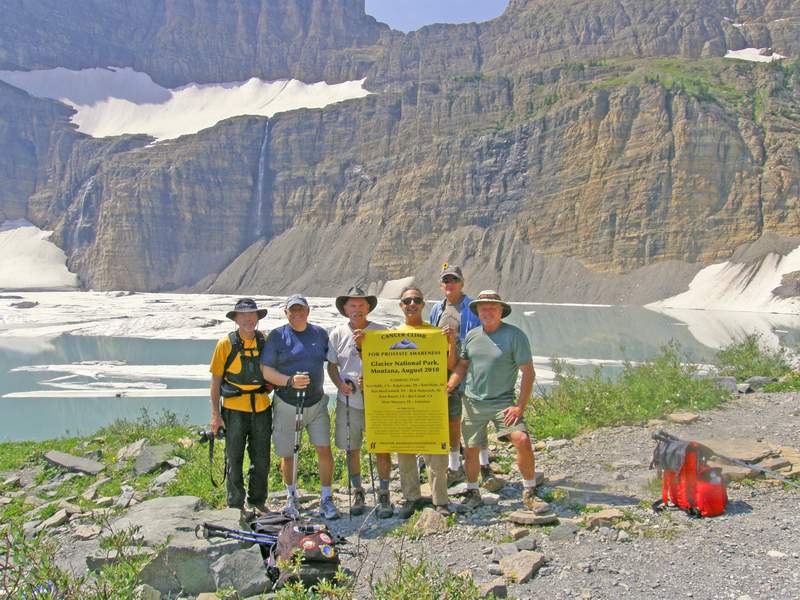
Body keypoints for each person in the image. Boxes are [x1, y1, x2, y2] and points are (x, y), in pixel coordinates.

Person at [446, 290, 545, 512]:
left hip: (503, 402)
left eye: (492, 307)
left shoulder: (514, 336)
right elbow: (463, 364)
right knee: (471, 449)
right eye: (483, 307)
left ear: (501, 310)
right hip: (472, 402)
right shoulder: (472, 335)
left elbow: (528, 372)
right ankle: (473, 492)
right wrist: (452, 383)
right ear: (477, 311)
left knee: (521, 439)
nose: (487, 311)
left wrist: (520, 406)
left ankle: (529, 491)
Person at [260, 294, 339, 520]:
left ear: (308, 311)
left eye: (300, 309)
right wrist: (288, 381)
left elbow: (334, 361)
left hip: (316, 403)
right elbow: (266, 371)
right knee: (287, 454)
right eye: (292, 310)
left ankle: (326, 497)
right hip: (286, 403)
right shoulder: (277, 336)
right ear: (286, 313)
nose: (297, 314)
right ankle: (291, 495)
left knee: (323, 448)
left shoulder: (320, 334)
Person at [428, 264, 499, 489]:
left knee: (475, 419)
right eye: (446, 280)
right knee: (452, 419)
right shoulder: (436, 310)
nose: (450, 284)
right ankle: (454, 466)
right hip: (446, 372)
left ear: (462, 283)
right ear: (441, 285)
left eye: (454, 280)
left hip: (472, 370)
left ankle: (484, 465)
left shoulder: (472, 307)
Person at [327, 286, 394, 518]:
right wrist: (339, 384)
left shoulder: (382, 331)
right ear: (345, 308)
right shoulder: (337, 333)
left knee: (381, 448)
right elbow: (332, 366)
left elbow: (392, 364)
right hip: (349, 400)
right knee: (351, 448)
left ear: (368, 307)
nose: (357, 309)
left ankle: (384, 492)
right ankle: (357, 491)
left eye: (361, 305)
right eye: (352, 305)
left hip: (378, 401)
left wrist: (376, 379)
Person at [395, 286, 457, 518]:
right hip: (403, 401)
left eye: (416, 300)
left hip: (430, 400)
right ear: (401, 305)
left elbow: (450, 365)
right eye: (407, 301)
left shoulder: (435, 333)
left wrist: (451, 342)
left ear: (423, 305)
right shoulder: (391, 336)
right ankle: (411, 498)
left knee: (436, 455)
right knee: (405, 454)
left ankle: (440, 500)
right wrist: (363, 346)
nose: (412, 304)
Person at [209, 298, 272, 513]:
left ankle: (257, 500)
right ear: (236, 319)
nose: (248, 319)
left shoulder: (265, 340)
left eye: (252, 314)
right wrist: (216, 415)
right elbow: (216, 381)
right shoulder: (225, 344)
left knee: (262, 458)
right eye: (243, 315)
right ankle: (235, 503)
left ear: (257, 317)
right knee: (234, 457)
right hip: (234, 410)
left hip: (262, 408)